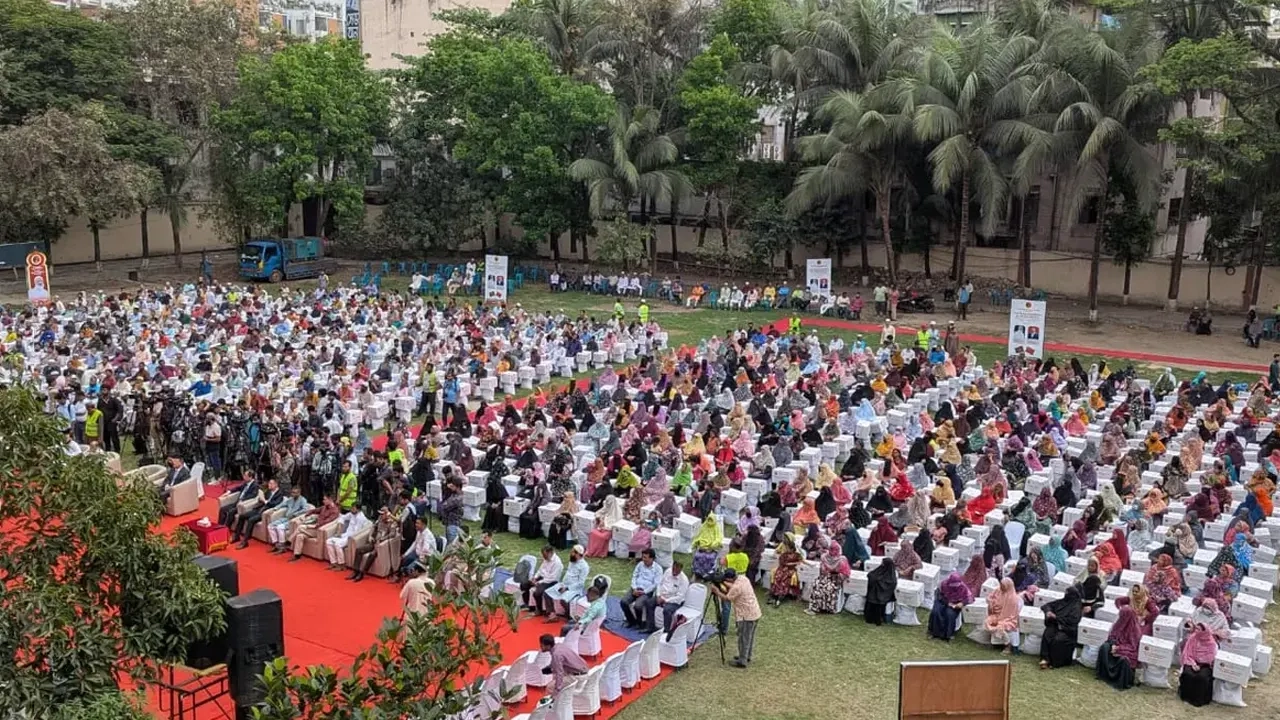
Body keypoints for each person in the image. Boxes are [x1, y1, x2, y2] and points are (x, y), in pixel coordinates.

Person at [709, 568, 761, 668]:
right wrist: (722, 581)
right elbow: (733, 585)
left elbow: (727, 598)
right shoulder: (743, 578)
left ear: (730, 579)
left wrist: (716, 591)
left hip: (746, 616)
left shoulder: (736, 587)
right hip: (754, 612)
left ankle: (742, 661)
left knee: (743, 638)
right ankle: (746, 656)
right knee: (749, 637)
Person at [1095, 606, 1142, 690]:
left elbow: (1133, 647)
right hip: (1116, 647)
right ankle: (1103, 674)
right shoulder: (1119, 623)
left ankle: (1120, 680)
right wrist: (1113, 644)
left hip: (1128, 652)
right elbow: (1113, 635)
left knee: (1124, 660)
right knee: (1105, 647)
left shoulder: (1135, 630)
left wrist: (1119, 649)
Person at [1038, 585, 1083, 668]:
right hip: (1056, 625)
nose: (1066, 595)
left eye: (1068, 593)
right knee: (1047, 633)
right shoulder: (1061, 602)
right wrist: (1048, 612)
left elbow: (1072, 621)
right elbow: (1047, 605)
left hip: (1068, 630)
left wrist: (1056, 617)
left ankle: (1054, 662)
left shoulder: (1076, 608)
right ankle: (1045, 658)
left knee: (1058, 639)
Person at [232, 478, 284, 548]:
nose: (269, 485)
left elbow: (275, 504)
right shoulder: (268, 491)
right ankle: (237, 536)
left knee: (251, 520)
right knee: (242, 516)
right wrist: (260, 499)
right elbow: (262, 499)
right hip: (258, 508)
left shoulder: (280, 494)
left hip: (265, 512)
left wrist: (265, 501)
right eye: (269, 483)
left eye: (271, 484)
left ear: (276, 485)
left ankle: (245, 541)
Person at [288, 493, 340, 561]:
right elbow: (315, 510)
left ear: (330, 500)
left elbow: (328, 521)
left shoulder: (334, 510)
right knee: (300, 536)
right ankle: (297, 555)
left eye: (324, 499)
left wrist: (315, 526)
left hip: (319, 530)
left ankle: (289, 541)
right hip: (313, 528)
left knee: (301, 527)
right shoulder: (324, 507)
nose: (323, 501)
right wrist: (308, 513)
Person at [621, 549, 664, 629]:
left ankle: (640, 623)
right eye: (643, 557)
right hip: (636, 588)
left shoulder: (658, 569)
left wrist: (643, 592)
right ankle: (631, 621)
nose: (643, 559)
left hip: (647, 591)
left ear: (652, 558)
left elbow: (655, 584)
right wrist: (634, 588)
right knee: (623, 602)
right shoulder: (640, 565)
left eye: (645, 557)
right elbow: (634, 576)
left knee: (638, 606)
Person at [1178, 622, 1219, 706]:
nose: (1196, 631)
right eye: (1196, 629)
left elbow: (1211, 657)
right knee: (1188, 674)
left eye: (1198, 629)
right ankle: (1186, 697)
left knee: (1201, 677)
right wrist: (1193, 663)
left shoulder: (1211, 643)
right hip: (1191, 661)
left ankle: (1199, 700)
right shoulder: (1193, 638)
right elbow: (1188, 653)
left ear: (1204, 631)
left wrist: (1200, 664)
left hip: (1206, 665)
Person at [544, 545, 590, 619]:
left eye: (574, 552)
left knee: (564, 600)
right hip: (564, 584)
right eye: (572, 551)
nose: (571, 553)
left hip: (574, 588)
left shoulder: (584, 566)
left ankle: (570, 617)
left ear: (579, 555)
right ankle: (552, 614)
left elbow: (581, 583)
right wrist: (563, 585)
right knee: (547, 593)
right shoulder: (572, 561)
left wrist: (567, 588)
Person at [807, 541, 851, 615]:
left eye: (835, 549)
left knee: (829, 587)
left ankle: (829, 607)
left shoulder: (842, 559)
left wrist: (838, 574)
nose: (833, 551)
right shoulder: (825, 557)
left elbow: (845, 572)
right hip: (826, 576)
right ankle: (817, 607)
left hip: (836, 579)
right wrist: (824, 570)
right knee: (817, 584)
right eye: (831, 549)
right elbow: (822, 570)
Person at [928, 572, 973, 641]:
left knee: (949, 614)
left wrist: (962, 603)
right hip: (942, 601)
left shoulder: (963, 588)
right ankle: (934, 633)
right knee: (936, 612)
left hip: (955, 604)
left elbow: (970, 598)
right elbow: (938, 595)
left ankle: (947, 635)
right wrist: (946, 602)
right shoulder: (943, 584)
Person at [267, 485, 312, 552]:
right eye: (292, 492)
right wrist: (274, 509)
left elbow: (305, 509)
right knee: (270, 526)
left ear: (299, 493)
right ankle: (276, 544)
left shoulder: (303, 500)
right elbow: (282, 504)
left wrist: (296, 514)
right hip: (285, 518)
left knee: (279, 527)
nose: (293, 494)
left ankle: (282, 547)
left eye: (294, 493)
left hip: (293, 520)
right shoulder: (290, 499)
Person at [324, 506, 370, 570]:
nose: (351, 510)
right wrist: (339, 530)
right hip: (345, 535)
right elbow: (342, 517)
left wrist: (346, 537)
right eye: (351, 508)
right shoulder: (351, 514)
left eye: (353, 508)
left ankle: (342, 564)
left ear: (358, 510)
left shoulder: (361, 518)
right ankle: (334, 563)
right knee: (328, 541)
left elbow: (357, 532)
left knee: (337, 544)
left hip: (352, 538)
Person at [652, 559, 690, 634]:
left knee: (667, 610)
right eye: (673, 569)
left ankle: (666, 631)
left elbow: (679, 597)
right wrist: (658, 595)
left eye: (677, 570)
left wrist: (666, 600)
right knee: (649, 602)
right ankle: (650, 627)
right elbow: (660, 583)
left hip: (674, 601)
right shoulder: (668, 571)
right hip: (662, 596)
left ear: (681, 569)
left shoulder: (684, 580)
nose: (674, 571)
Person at [522, 545, 563, 615]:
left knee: (537, 593)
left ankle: (539, 610)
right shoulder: (546, 559)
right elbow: (540, 570)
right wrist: (535, 578)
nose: (543, 557)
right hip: (543, 578)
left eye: (544, 555)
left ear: (550, 552)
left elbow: (552, 578)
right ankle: (528, 605)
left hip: (551, 581)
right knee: (524, 585)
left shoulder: (557, 563)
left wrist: (539, 582)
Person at [984, 578, 1021, 655]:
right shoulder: (998, 590)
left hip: (1008, 619)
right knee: (987, 622)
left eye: (1003, 585)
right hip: (996, 615)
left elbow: (1012, 615)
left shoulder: (1013, 598)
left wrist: (1001, 620)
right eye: (1001, 585)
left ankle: (1008, 645)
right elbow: (989, 597)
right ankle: (995, 643)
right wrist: (991, 602)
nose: (1001, 587)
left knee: (1000, 626)